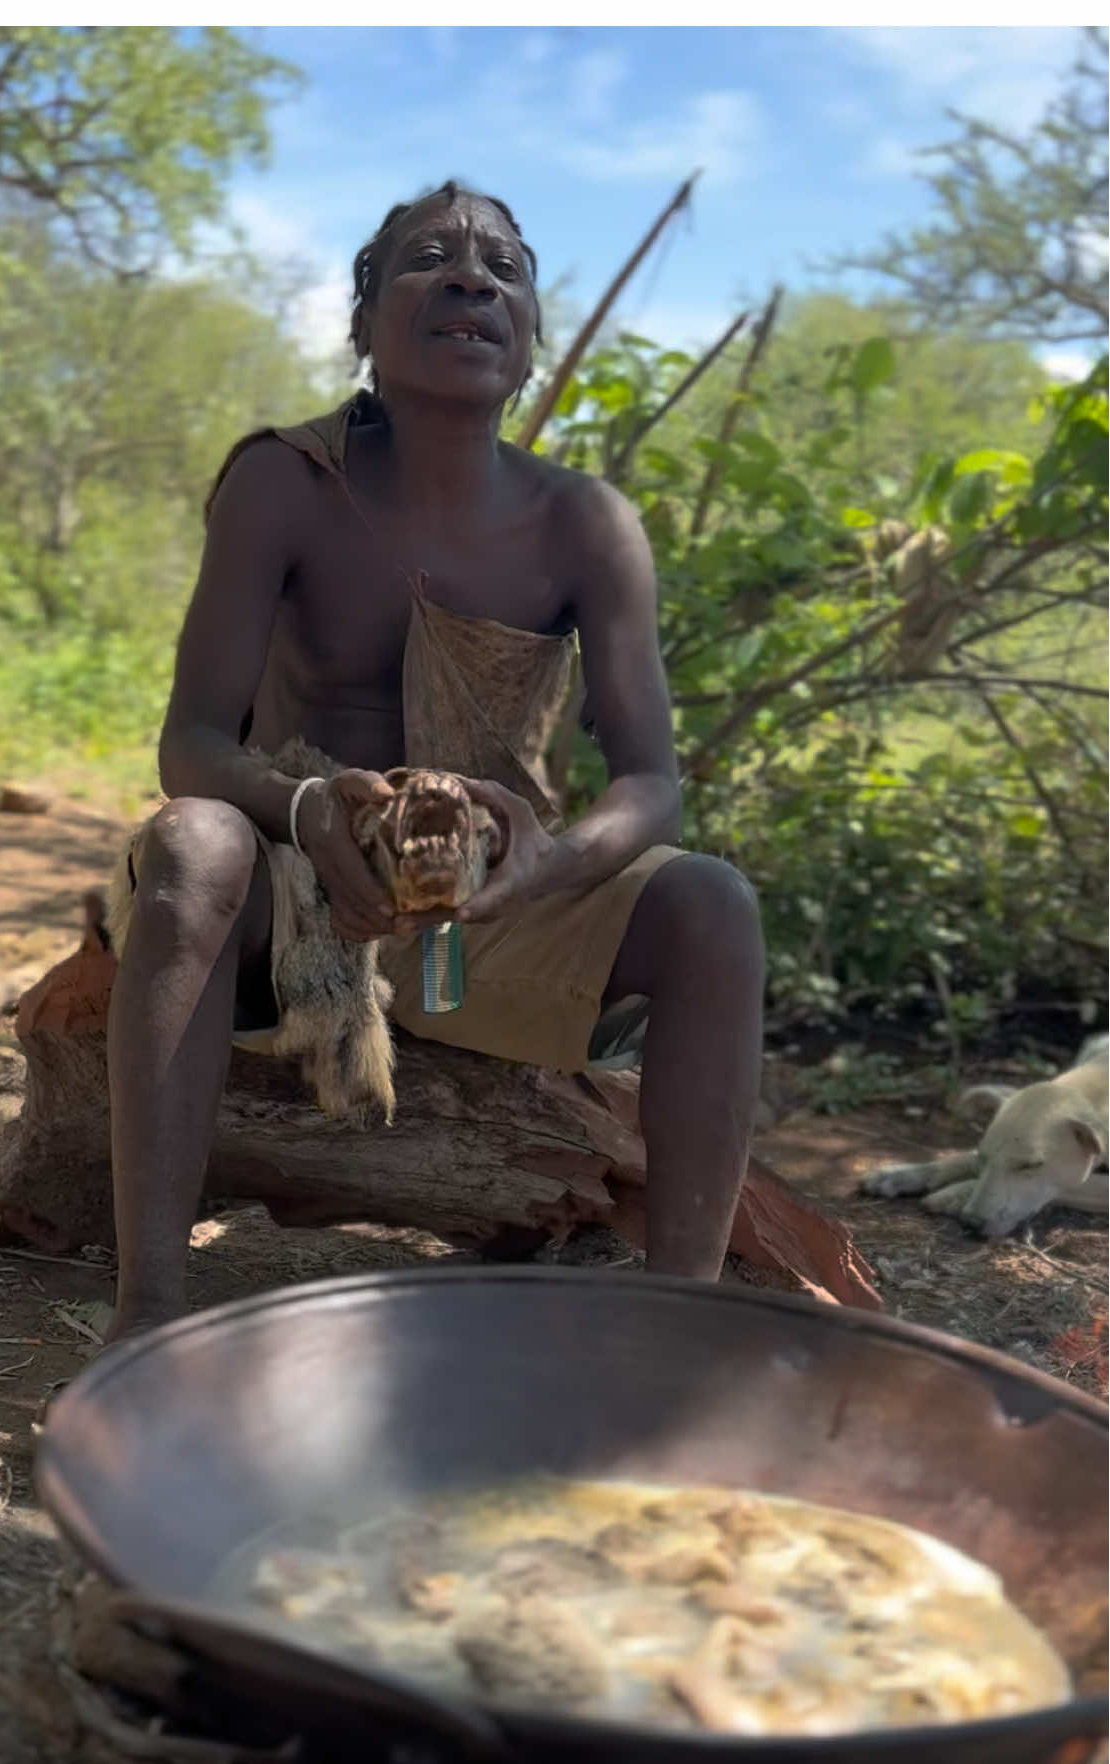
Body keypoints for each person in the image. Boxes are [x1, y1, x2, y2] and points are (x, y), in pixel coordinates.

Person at [105, 182, 764, 1344]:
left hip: (488, 902)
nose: (472, 279)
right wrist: (308, 810)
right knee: (193, 842)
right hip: (288, 892)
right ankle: (147, 1315)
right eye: (430, 259)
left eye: (504, 269)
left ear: (531, 339)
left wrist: (546, 862)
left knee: (711, 903)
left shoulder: (586, 523)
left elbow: (652, 786)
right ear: (364, 324)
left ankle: (676, 1332)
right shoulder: (283, 481)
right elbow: (192, 746)